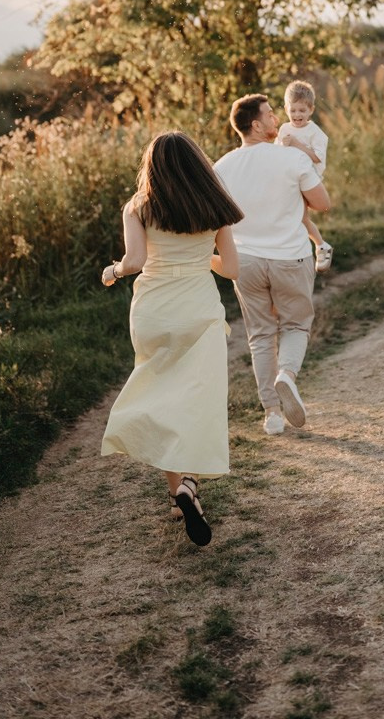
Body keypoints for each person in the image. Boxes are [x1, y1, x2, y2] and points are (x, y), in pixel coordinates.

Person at [100, 131, 243, 547]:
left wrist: (112, 272)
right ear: (198, 164)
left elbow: (136, 261)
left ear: (153, 167)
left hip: (153, 310)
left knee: (160, 391)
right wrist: (201, 257)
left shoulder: (139, 207)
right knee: (196, 398)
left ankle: (174, 491)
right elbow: (231, 268)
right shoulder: (215, 206)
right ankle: (189, 485)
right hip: (196, 308)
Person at [214, 94, 331, 436]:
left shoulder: (221, 167)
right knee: (295, 325)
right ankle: (287, 376)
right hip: (290, 258)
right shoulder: (291, 158)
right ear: (255, 124)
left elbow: (216, 220)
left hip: (246, 261)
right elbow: (323, 204)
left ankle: (272, 415)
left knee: (261, 335)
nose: (276, 118)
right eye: (269, 114)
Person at [276, 79, 333, 271]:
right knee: (297, 218)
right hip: (287, 178)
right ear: (286, 109)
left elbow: (317, 158)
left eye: (302, 110)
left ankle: (320, 245)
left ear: (311, 110)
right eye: (293, 110)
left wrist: (297, 145)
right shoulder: (284, 129)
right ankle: (316, 246)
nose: (297, 115)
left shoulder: (315, 133)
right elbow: (277, 151)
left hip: (307, 179)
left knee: (301, 218)